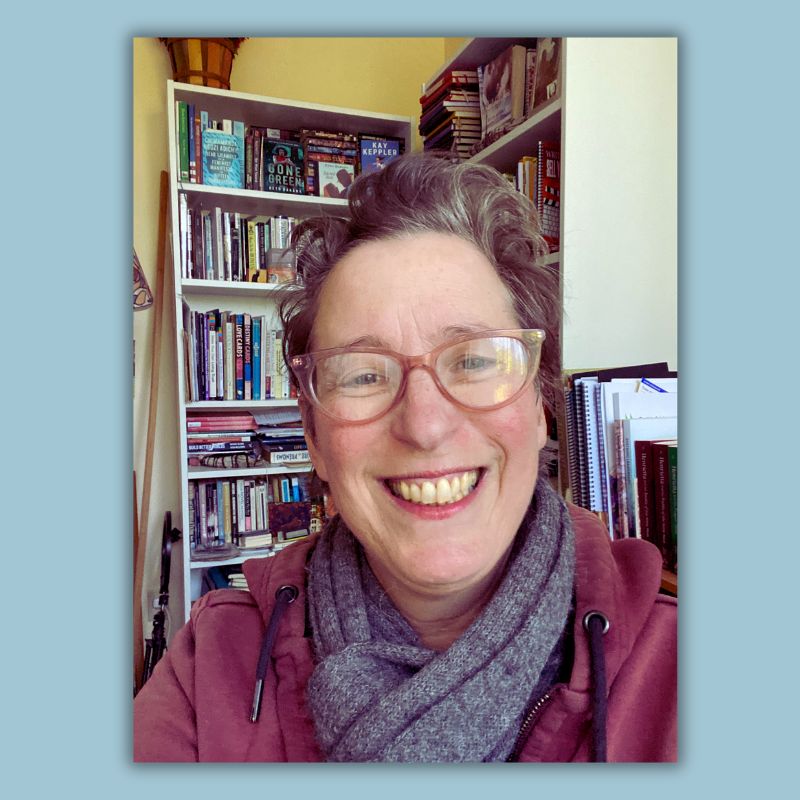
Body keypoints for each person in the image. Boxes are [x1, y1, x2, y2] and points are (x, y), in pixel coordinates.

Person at [134, 152, 676, 763]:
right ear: (313, 437)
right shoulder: (207, 668)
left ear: (539, 404)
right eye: (364, 375)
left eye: (473, 361)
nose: (424, 425)